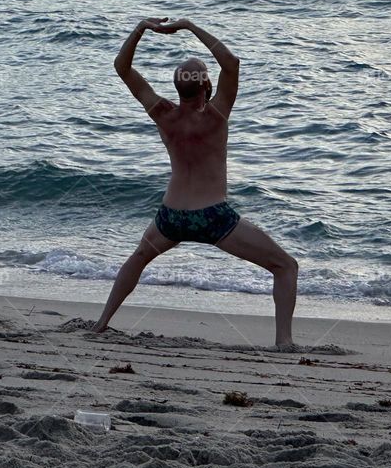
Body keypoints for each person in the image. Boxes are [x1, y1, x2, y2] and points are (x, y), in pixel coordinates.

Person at [92, 17, 298, 348]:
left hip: (171, 216)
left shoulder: (162, 113)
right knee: (285, 266)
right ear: (206, 86)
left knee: (139, 256)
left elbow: (122, 67)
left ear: (178, 88)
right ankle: (284, 341)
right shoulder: (217, 115)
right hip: (212, 217)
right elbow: (231, 63)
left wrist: (143, 28)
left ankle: (102, 323)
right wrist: (189, 26)